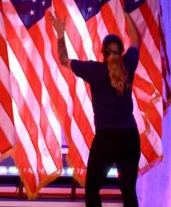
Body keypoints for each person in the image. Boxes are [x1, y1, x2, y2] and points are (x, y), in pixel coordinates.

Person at [47, 11, 141, 207]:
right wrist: (126, 12)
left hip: (106, 139)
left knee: (92, 191)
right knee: (129, 192)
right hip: (130, 138)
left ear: (103, 52)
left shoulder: (95, 71)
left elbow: (64, 60)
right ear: (120, 51)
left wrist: (60, 34)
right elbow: (136, 40)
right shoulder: (128, 65)